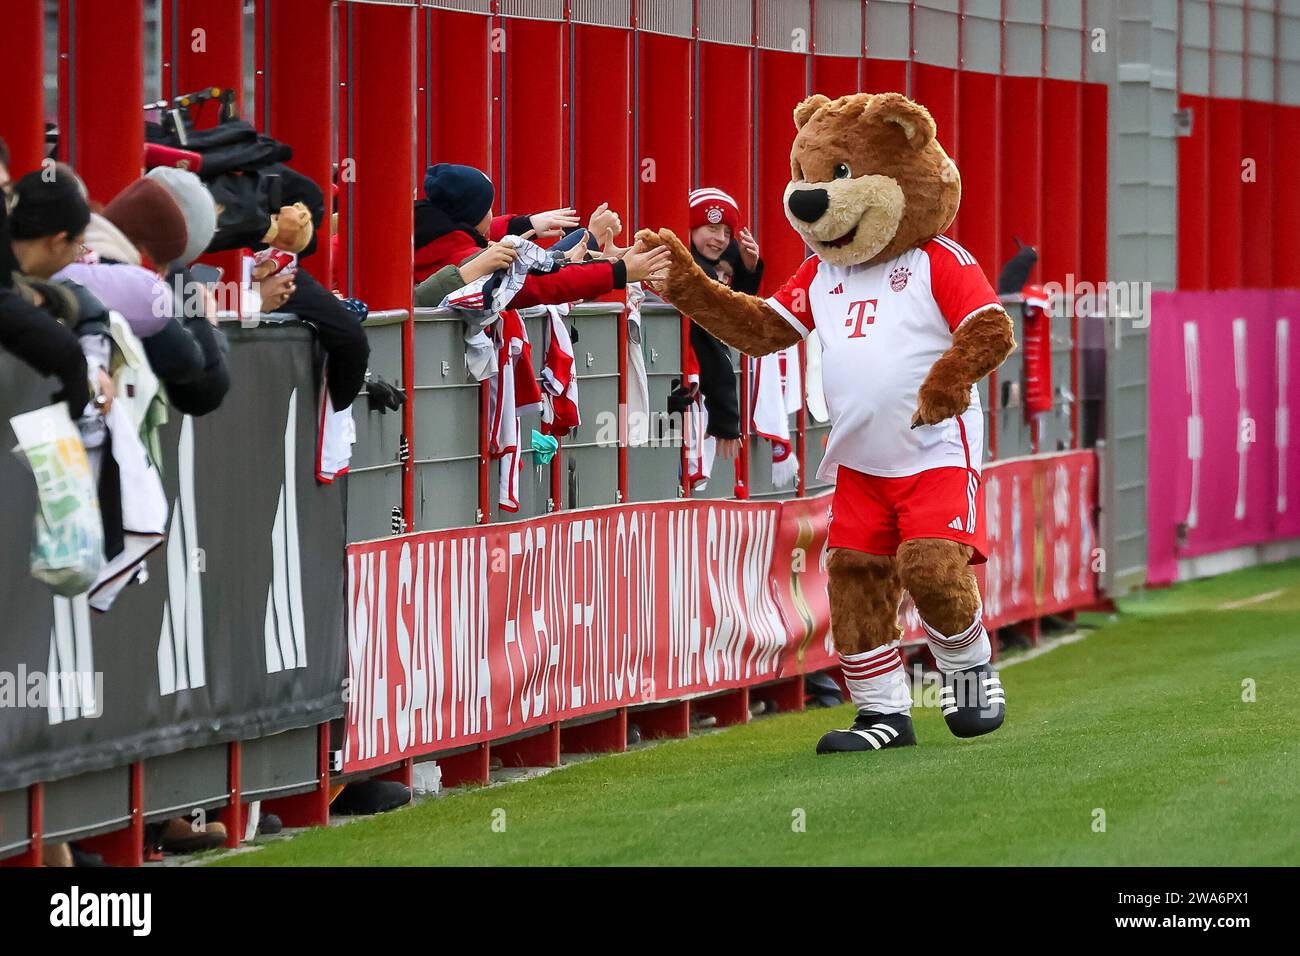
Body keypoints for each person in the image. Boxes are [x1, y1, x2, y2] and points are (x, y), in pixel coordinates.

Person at [413, 163, 668, 299]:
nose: (492, 216)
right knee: (577, 240)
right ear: (469, 215)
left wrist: (526, 225)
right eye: (487, 208)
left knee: (577, 240)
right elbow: (541, 285)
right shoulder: (469, 258)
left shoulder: (432, 238)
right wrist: (618, 272)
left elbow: (464, 238)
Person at [681, 187, 764, 461]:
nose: (720, 239)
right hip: (679, 388)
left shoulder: (702, 269)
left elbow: (729, 320)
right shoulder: (696, 272)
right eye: (712, 227)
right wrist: (727, 419)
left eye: (727, 233)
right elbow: (714, 343)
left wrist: (747, 271)